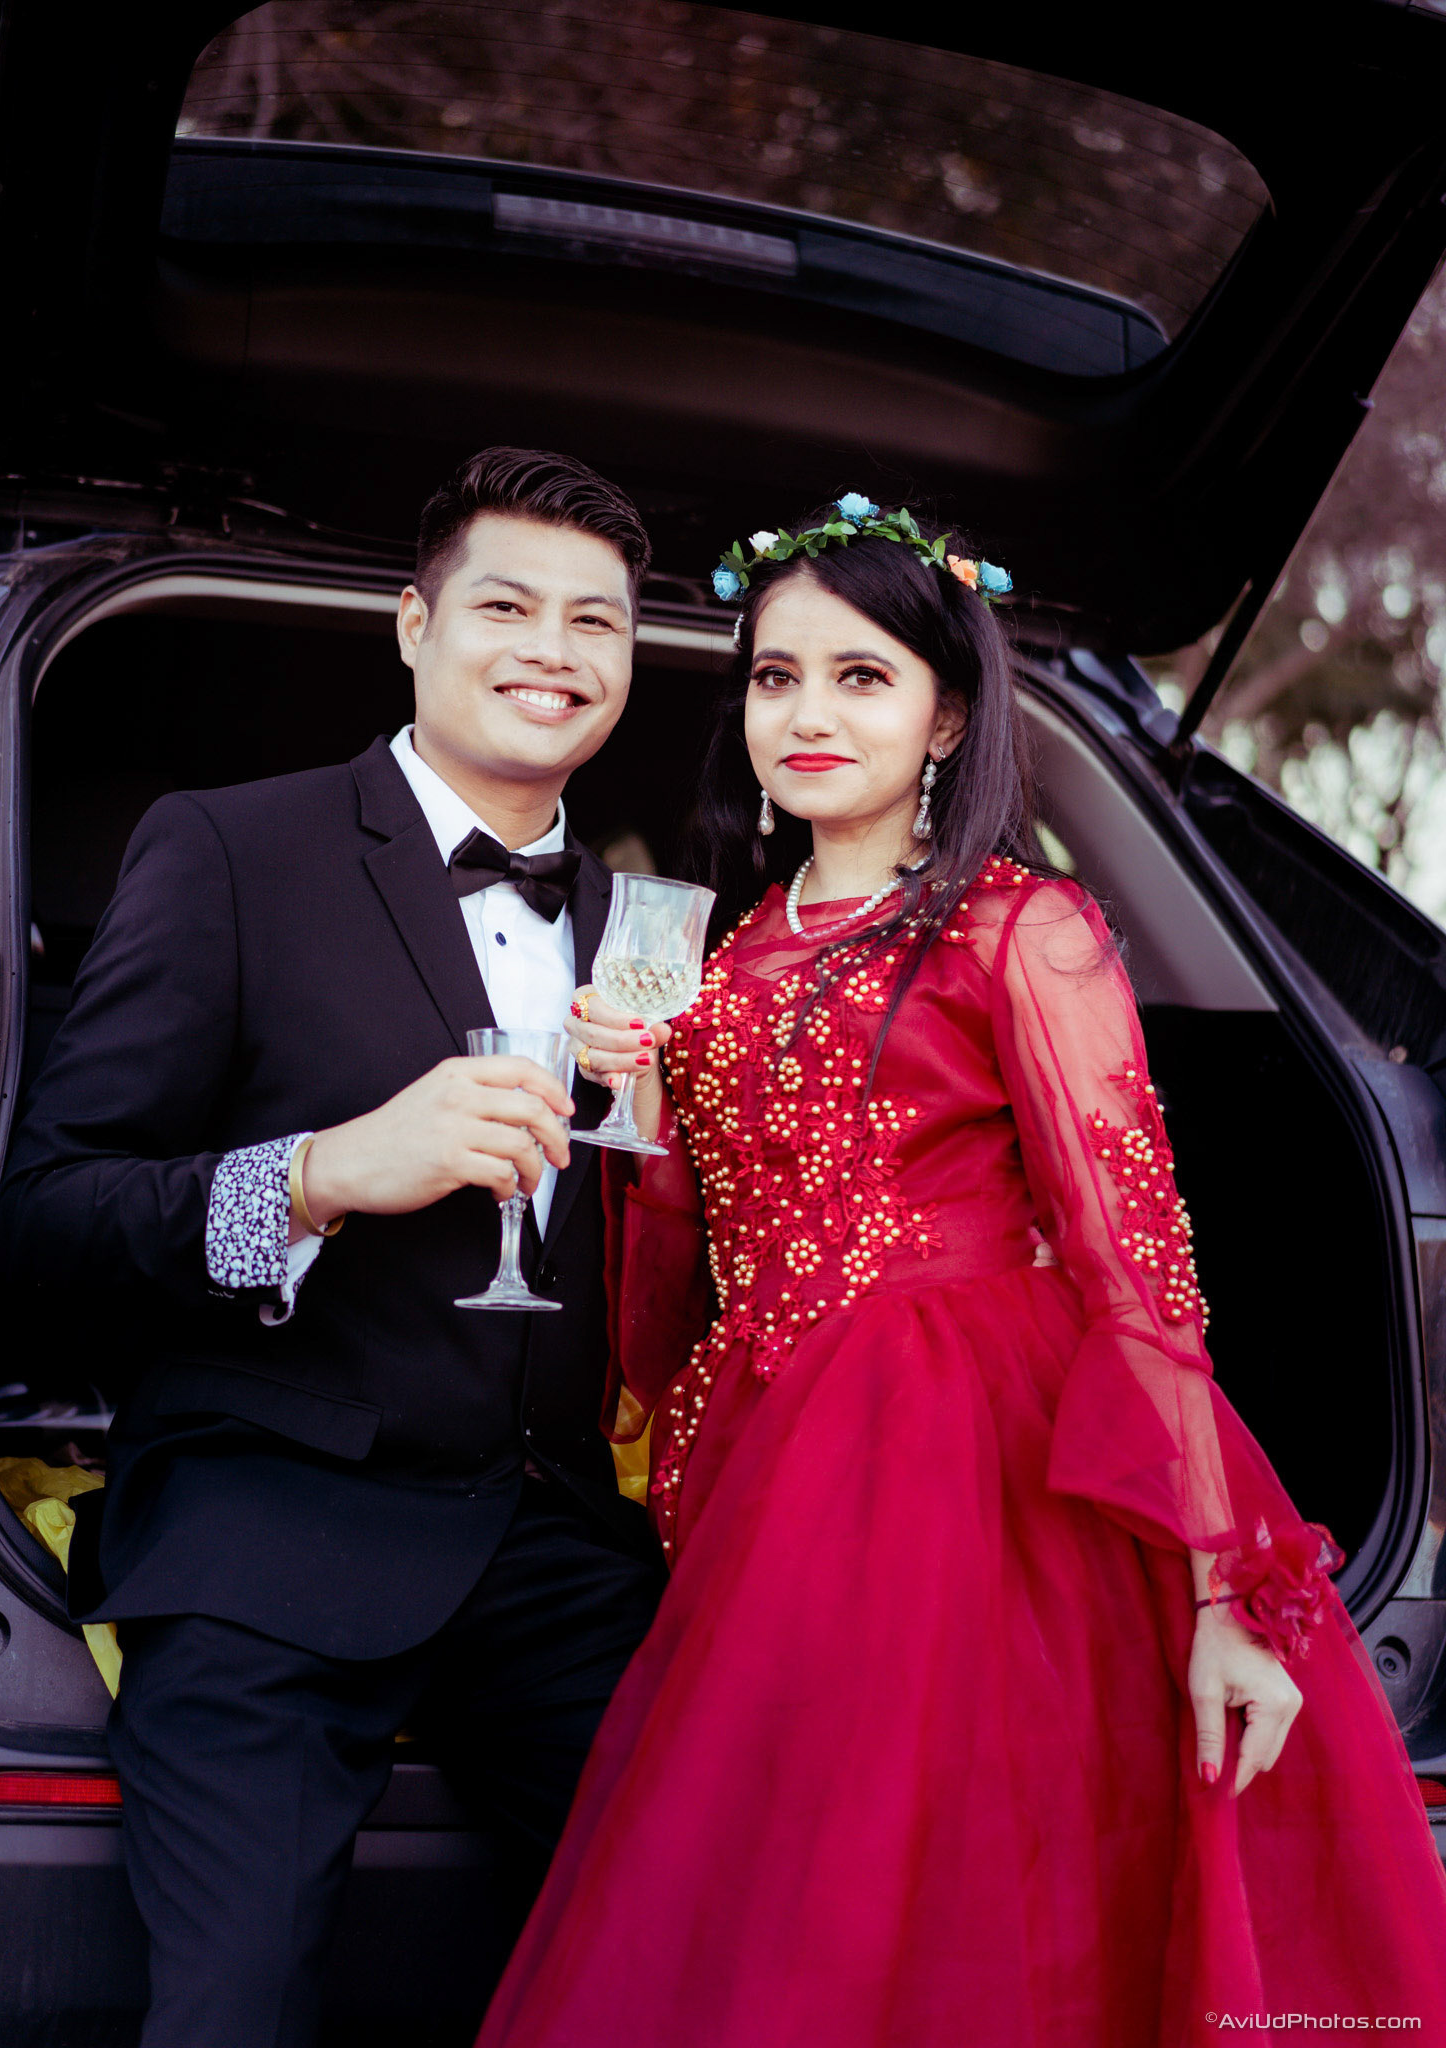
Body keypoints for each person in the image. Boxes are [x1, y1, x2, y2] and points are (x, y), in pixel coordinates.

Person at [475, 498, 1446, 2046]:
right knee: (794, 1914)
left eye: (861, 677)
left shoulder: (1023, 929)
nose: (808, 714)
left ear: (945, 718)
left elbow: (1136, 1263)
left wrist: (1224, 1588)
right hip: (772, 1473)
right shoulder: (728, 954)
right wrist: (640, 1101)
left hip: (966, 1469)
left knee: (943, 1905)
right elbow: (687, 1262)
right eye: (776, 677)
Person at [0, 448, 667, 2048]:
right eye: (506, 607)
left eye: (596, 623)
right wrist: (318, 1175)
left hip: (556, 1547)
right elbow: (44, 1223)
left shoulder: (654, 930)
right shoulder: (230, 849)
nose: (553, 651)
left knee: (728, 1954)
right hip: (269, 1524)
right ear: (415, 627)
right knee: (232, 2006)